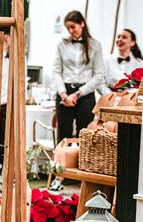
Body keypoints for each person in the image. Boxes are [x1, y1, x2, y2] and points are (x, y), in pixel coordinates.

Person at [51, 10, 104, 191]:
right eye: (68, 28)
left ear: (82, 24)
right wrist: (64, 94)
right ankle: (60, 176)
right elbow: (56, 71)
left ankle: (83, 177)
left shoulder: (95, 45)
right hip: (64, 92)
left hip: (85, 94)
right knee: (63, 136)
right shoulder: (61, 44)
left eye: (73, 27)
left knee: (84, 135)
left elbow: (98, 75)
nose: (70, 31)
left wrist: (78, 94)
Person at [100, 28, 143, 94]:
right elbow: (100, 82)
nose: (120, 39)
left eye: (124, 37)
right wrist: (110, 95)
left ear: (132, 42)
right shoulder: (105, 60)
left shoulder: (140, 63)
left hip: (131, 99)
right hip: (109, 99)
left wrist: (128, 94)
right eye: (118, 37)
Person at [0, 27, 11, 166]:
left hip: (6, 106)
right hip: (0, 106)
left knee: (3, 143)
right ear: (6, 38)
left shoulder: (8, 59)